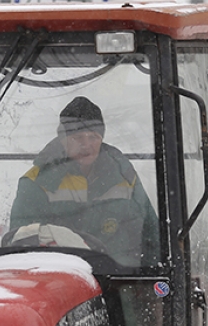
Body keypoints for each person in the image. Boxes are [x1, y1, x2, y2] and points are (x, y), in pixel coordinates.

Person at [10, 96, 158, 267]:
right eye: (78, 137)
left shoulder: (125, 177)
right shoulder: (37, 183)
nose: (86, 145)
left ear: (101, 139)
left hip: (120, 279)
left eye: (93, 137)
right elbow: (19, 245)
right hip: (62, 279)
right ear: (63, 139)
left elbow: (152, 236)